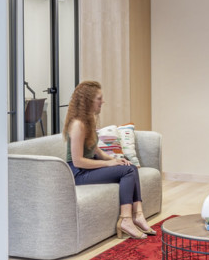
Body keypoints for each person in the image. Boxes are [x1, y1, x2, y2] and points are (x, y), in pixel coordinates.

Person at [64, 81, 155, 239]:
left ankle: (138, 214)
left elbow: (95, 150)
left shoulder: (88, 120)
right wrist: (108, 163)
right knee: (127, 171)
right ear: (88, 100)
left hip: (88, 168)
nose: (103, 101)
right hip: (78, 173)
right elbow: (78, 161)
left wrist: (115, 159)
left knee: (129, 166)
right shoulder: (77, 124)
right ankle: (126, 219)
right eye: (99, 98)